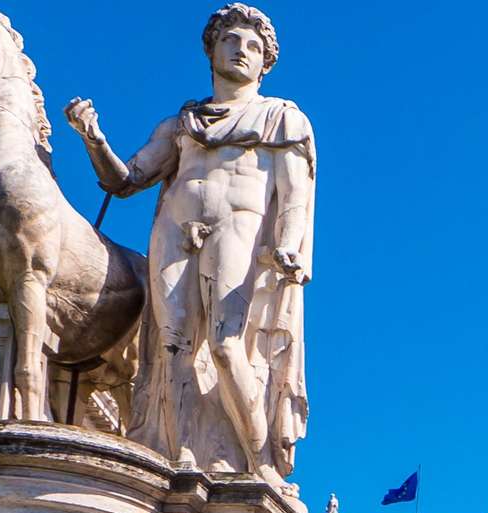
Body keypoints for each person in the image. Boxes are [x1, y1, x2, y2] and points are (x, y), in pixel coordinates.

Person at [64, 4, 315, 483]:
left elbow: (295, 194)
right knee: (171, 349)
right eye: (231, 41)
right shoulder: (182, 123)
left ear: (265, 62)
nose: (241, 51)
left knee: (225, 345)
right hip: (175, 233)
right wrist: (93, 138)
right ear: (212, 50)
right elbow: (125, 181)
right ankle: (175, 459)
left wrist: (288, 245)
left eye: (253, 47)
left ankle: (260, 463)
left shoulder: (282, 119)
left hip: (239, 231)